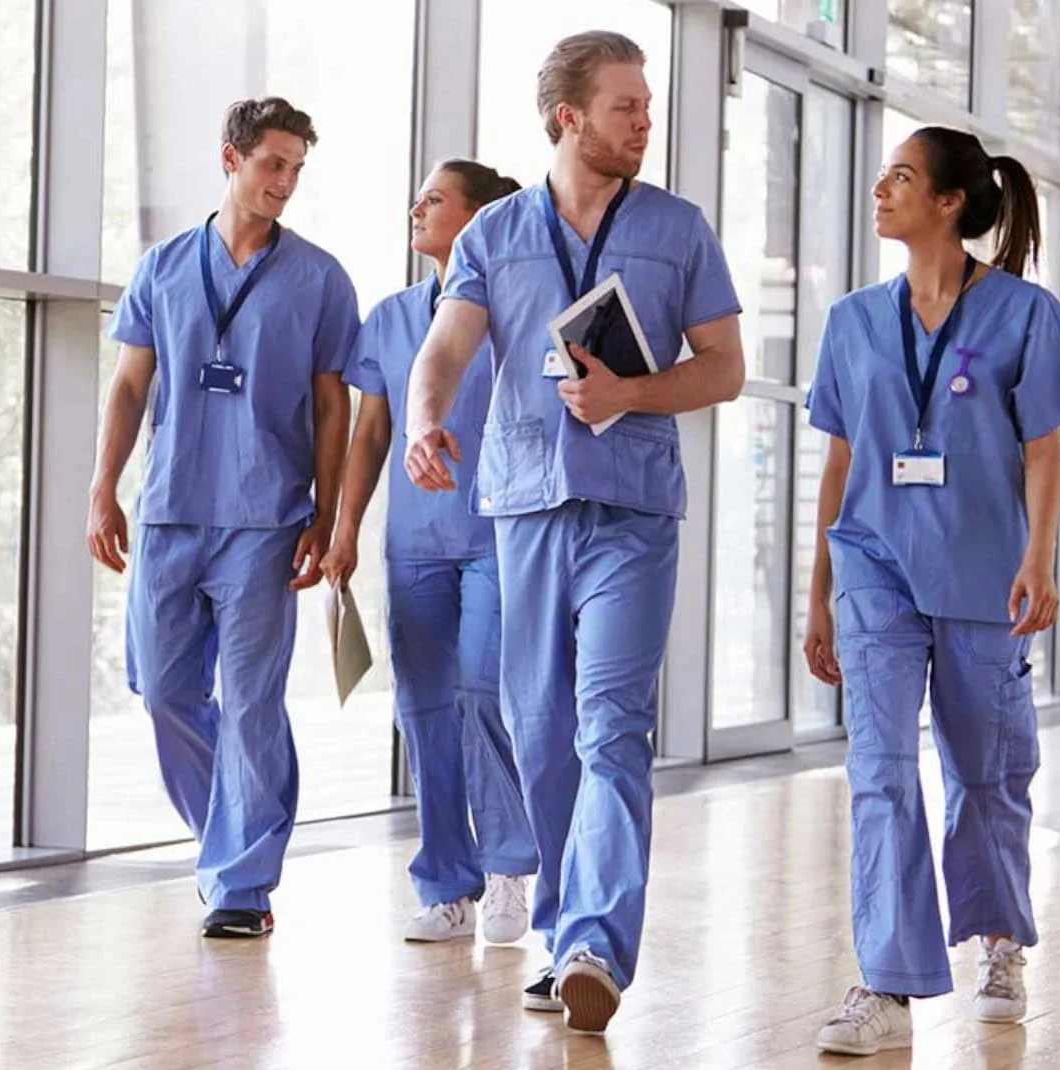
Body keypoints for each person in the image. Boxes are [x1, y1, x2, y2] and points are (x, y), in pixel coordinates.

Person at [403, 31, 744, 1034]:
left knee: (609, 725)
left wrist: (632, 391)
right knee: (544, 731)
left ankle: (596, 935)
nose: (646, 121)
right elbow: (445, 349)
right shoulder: (495, 234)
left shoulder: (678, 229)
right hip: (525, 508)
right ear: (569, 117)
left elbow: (721, 365)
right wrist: (427, 419)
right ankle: (561, 932)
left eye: (646, 105)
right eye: (627, 106)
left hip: (633, 513)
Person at [802, 127, 1060, 1056]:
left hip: (983, 571)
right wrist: (818, 592)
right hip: (875, 570)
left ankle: (1001, 940)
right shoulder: (854, 320)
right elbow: (841, 457)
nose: (881, 186)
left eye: (901, 175)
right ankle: (887, 984)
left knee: (986, 774)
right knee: (880, 773)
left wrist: (1040, 559)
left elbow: (1044, 445)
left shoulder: (1024, 314)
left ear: (948, 203)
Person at [87, 97, 359, 940]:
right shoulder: (164, 267)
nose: (285, 183)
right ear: (230, 159)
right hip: (171, 511)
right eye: (273, 164)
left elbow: (330, 404)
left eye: (296, 170)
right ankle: (226, 840)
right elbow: (132, 385)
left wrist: (326, 510)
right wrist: (104, 488)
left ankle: (242, 882)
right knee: (165, 690)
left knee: (250, 703)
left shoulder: (319, 278)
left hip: (266, 518)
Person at [321, 159, 538, 946]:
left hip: (497, 535)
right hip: (413, 545)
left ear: (481, 219)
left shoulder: (516, 312)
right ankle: (449, 882)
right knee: (423, 713)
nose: (417, 205)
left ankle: (512, 865)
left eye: (436, 198)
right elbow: (371, 431)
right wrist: (344, 530)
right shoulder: (389, 317)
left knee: (482, 693)